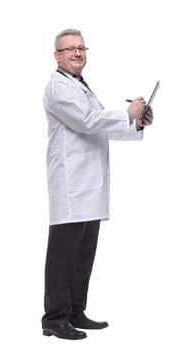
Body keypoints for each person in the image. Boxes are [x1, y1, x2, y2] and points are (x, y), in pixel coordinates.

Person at [41, 28, 153, 340]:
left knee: (83, 252)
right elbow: (88, 122)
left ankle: (75, 311)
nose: (77, 53)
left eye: (81, 48)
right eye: (70, 49)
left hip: (90, 184)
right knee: (64, 254)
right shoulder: (57, 88)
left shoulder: (81, 87)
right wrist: (127, 114)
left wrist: (136, 122)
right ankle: (53, 318)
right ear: (57, 56)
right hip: (70, 184)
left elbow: (100, 125)